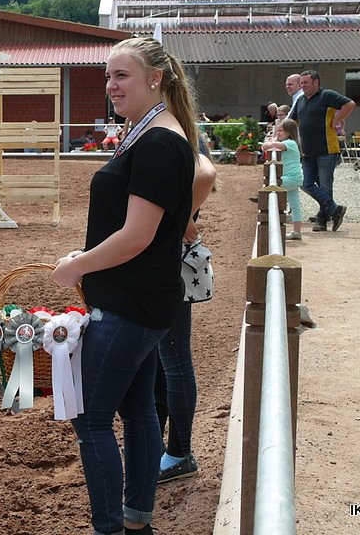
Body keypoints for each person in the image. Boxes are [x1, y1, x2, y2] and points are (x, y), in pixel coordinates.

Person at [52, 37, 200, 535]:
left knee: (91, 420)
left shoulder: (159, 140)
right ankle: (136, 519)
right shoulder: (150, 133)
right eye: (108, 76)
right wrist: (87, 260)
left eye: (122, 76)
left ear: (155, 78)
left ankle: (110, 528)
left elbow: (138, 236)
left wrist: (78, 267)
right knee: (137, 412)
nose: (112, 86)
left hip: (130, 303)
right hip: (141, 299)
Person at [155, 137, 217, 485]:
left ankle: (179, 451)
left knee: (174, 359)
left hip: (169, 266)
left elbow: (206, 171)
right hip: (154, 266)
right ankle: (164, 446)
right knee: (161, 360)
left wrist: (179, 218)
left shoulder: (177, 133)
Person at [290, 70, 355, 232]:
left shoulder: (327, 95)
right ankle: (335, 209)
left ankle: (322, 220)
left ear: (316, 82)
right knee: (305, 183)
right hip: (307, 151)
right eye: (301, 83)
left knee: (325, 186)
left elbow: (350, 104)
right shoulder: (301, 100)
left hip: (327, 149)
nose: (302, 86)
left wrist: (337, 120)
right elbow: (291, 121)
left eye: (305, 83)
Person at [262, 118, 304, 240]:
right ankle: (297, 231)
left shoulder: (289, 143)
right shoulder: (291, 143)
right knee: (295, 205)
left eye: (280, 131)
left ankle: (263, 195)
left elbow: (266, 146)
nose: (278, 133)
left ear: (289, 133)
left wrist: (272, 139)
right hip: (293, 177)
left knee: (270, 190)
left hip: (290, 178)